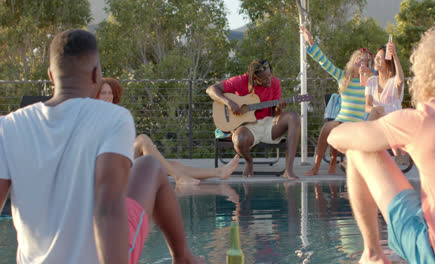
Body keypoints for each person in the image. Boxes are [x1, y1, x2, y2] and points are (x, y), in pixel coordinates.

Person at [0, 29, 204, 264]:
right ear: (96, 75)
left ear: (51, 76)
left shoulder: (8, 126)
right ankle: (184, 258)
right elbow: (108, 209)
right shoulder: (113, 118)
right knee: (150, 166)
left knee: (147, 163)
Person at [328, 23, 435, 264]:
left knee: (358, 149)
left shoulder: (423, 120)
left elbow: (336, 137)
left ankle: (372, 253)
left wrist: (381, 138)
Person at [96, 77, 239, 185]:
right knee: (143, 139)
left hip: (123, 158)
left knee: (172, 165)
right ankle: (179, 178)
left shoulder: (115, 114)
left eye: (110, 93)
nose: (108, 96)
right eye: (103, 93)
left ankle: (219, 172)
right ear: (96, 95)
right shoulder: (95, 115)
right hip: (109, 166)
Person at [206, 59, 300, 179]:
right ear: (254, 79)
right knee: (239, 139)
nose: (269, 80)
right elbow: (210, 89)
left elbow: (276, 113)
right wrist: (229, 103)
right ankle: (249, 161)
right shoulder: (241, 81)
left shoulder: (275, 82)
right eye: (264, 78)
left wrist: (279, 108)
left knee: (294, 117)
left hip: (268, 124)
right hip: (247, 127)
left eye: (270, 75)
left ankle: (289, 170)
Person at [299, 26, 374, 175]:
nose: (360, 64)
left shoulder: (368, 80)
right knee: (328, 128)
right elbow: (325, 63)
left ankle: (334, 160)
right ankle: (316, 166)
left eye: (364, 62)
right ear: (353, 62)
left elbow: (381, 79)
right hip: (342, 119)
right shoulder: (342, 77)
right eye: (358, 61)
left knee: (339, 133)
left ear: (367, 65)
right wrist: (311, 42)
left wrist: (370, 73)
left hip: (357, 122)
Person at [365, 43, 405, 121]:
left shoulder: (394, 81)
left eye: (380, 58)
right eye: (376, 57)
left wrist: (395, 55)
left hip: (394, 121)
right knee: (374, 112)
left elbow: (400, 80)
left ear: (388, 62)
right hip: (378, 121)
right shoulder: (371, 81)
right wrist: (377, 110)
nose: (376, 60)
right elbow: (367, 106)